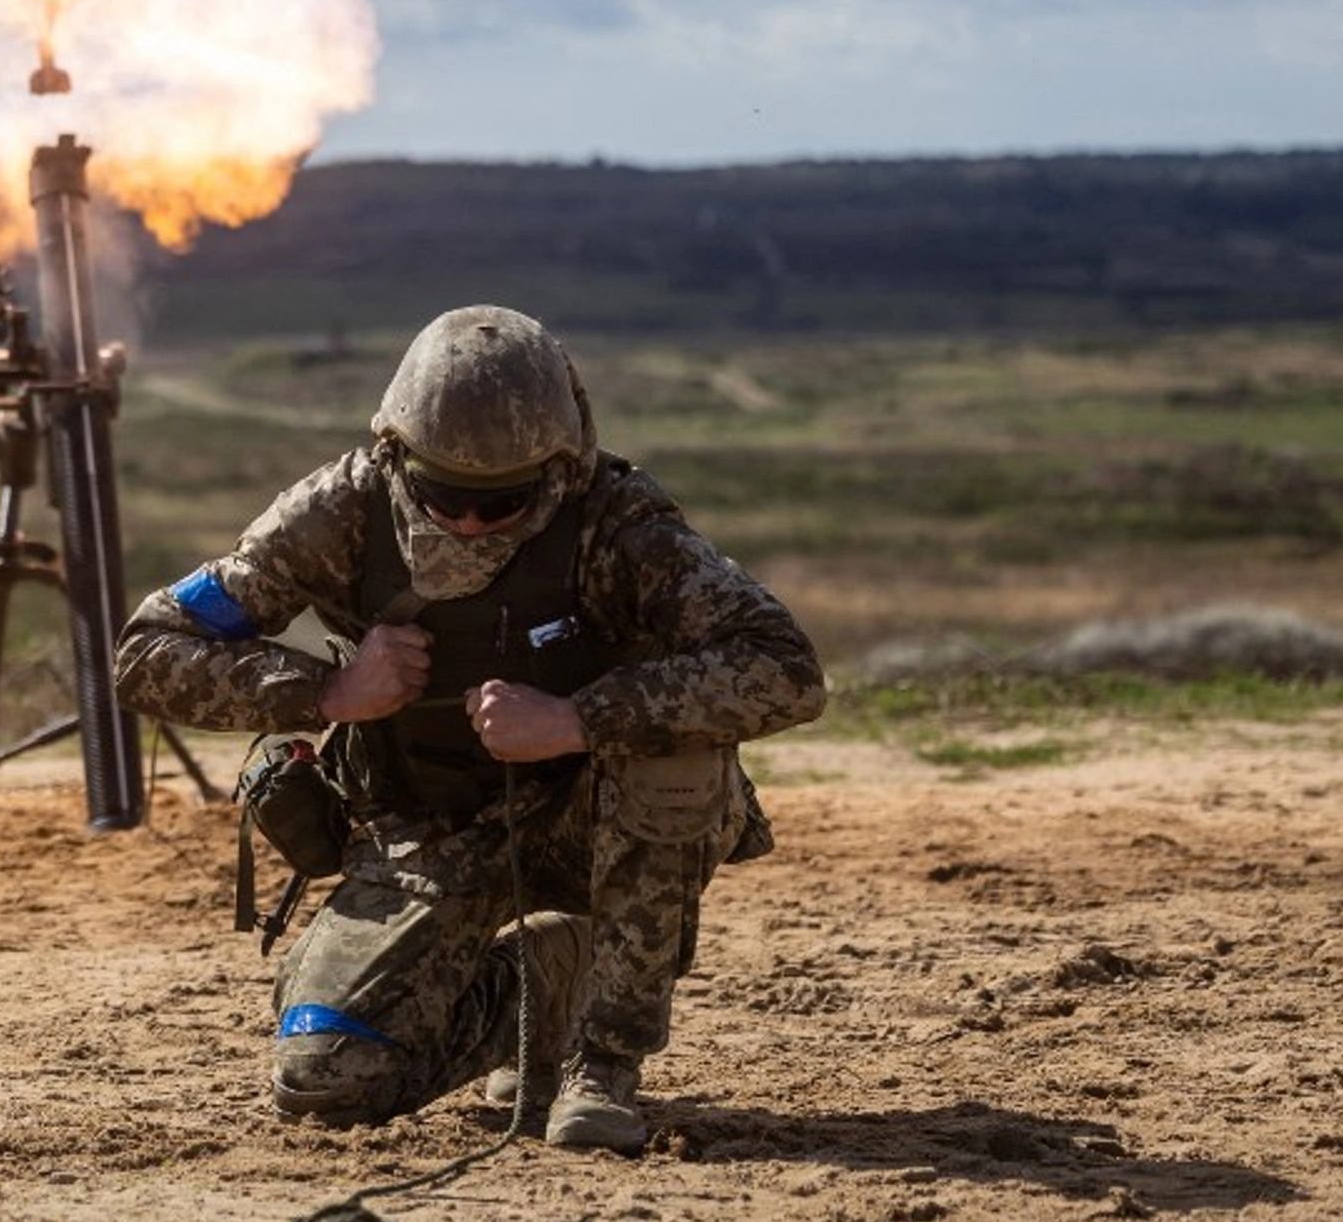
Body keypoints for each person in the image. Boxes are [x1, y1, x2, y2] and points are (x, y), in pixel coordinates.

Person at [114, 305, 826, 1155]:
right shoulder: (337, 510)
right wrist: (328, 690)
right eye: (446, 496)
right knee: (326, 1076)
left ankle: (605, 1063)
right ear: (396, 456)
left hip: (584, 819)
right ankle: (547, 986)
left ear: (559, 468)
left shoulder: (618, 521)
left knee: (674, 756)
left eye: (503, 501)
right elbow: (145, 652)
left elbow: (784, 665)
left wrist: (577, 720)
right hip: (420, 833)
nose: (471, 524)